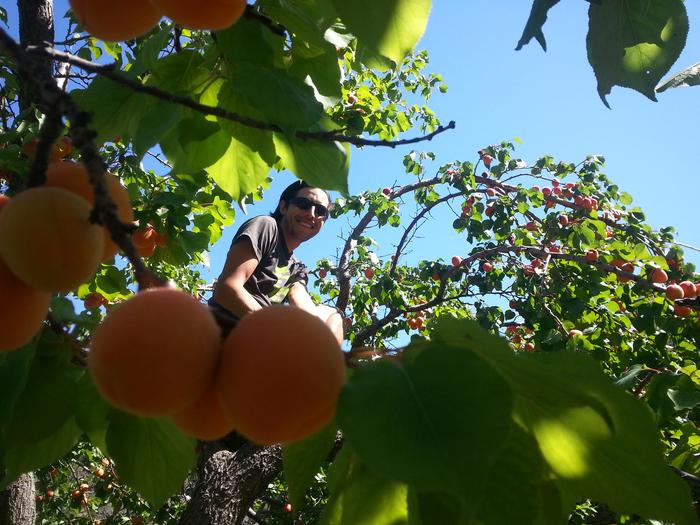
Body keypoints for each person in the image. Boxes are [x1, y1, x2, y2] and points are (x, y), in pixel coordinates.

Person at [208, 180, 344, 343]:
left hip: (259, 343)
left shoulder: (297, 268)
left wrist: (321, 330)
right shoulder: (267, 226)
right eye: (303, 204)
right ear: (283, 207)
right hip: (224, 334)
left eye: (321, 210)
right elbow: (227, 289)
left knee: (333, 315)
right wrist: (276, 332)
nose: (312, 213)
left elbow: (304, 307)